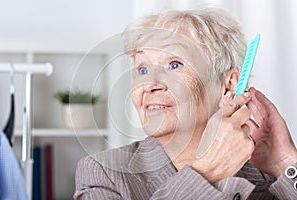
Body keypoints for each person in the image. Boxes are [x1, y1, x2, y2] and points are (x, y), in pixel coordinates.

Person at [74, 6, 297, 200]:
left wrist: (285, 164)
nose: (150, 84)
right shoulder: (104, 173)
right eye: (143, 69)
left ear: (229, 85)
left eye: (174, 65)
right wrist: (205, 175)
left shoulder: (270, 176)